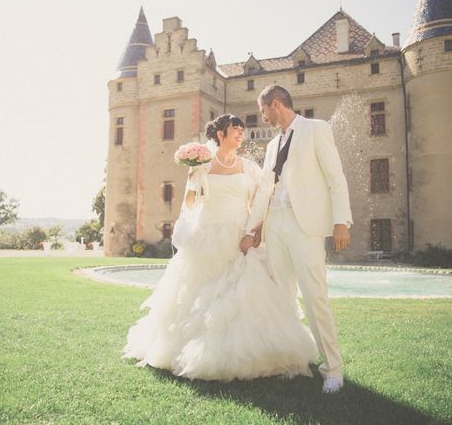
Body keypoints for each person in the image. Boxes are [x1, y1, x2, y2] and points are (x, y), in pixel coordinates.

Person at [123, 114, 317, 381]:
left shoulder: (248, 167)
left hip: (238, 236)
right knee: (197, 296)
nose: (240, 134)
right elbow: (191, 205)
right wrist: (193, 180)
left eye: (242, 130)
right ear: (220, 135)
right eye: (234, 130)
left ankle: (258, 351)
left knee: (247, 293)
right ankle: (191, 349)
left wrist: (255, 231)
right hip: (207, 235)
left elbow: (259, 201)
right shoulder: (203, 165)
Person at [239, 84, 352, 393]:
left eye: (263, 110)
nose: (261, 116)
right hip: (275, 226)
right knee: (283, 297)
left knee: (315, 297)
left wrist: (341, 220)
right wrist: (253, 230)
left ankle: (333, 369)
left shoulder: (316, 129)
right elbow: (265, 190)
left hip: (305, 226)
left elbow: (335, 176)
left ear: (276, 104)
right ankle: (293, 362)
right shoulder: (272, 145)